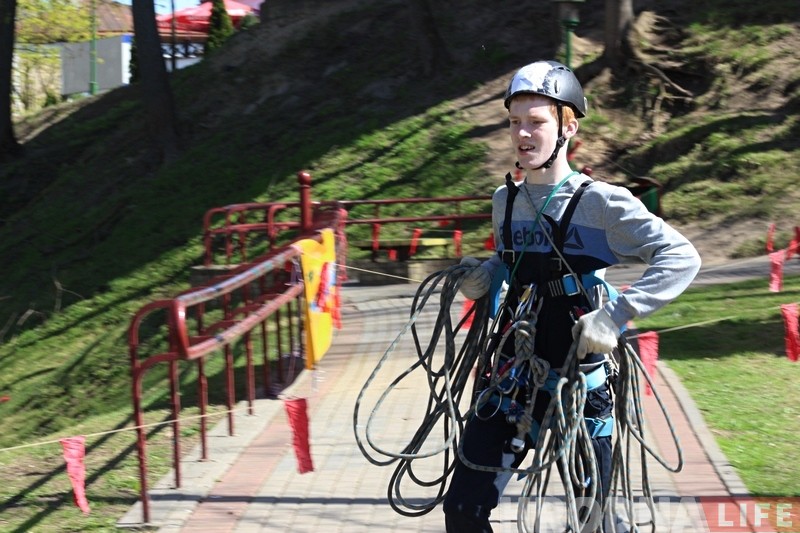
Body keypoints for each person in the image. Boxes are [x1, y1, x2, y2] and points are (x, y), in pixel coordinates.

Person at [442, 60, 701, 532]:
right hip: (513, 373)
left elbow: (681, 257)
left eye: (536, 121)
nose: (523, 133)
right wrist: (486, 275)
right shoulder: (507, 201)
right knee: (462, 510)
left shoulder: (601, 202)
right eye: (515, 121)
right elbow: (513, 265)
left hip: (580, 379)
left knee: (594, 519)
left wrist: (617, 316)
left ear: (567, 126)